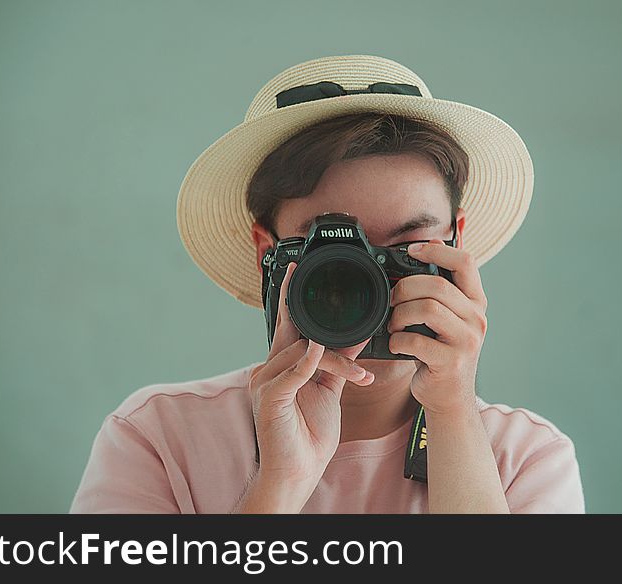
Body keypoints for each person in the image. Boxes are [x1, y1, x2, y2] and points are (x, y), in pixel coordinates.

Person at [69, 54, 585, 514]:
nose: (372, 282)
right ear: (266, 252)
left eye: (407, 248)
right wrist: (280, 482)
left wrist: (452, 412)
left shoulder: (526, 458)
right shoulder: (158, 440)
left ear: (456, 246)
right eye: (338, 252)